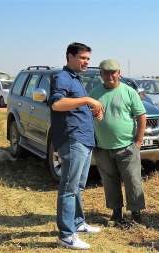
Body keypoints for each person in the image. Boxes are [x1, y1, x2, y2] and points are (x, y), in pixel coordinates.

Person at [49, 42, 104, 250]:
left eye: (88, 59)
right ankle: (66, 236)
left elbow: (73, 107)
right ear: (70, 56)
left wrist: (91, 109)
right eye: (82, 58)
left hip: (84, 139)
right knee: (68, 189)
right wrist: (88, 99)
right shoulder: (62, 78)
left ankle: (78, 224)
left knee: (77, 186)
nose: (86, 62)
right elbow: (57, 104)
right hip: (73, 140)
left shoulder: (76, 79)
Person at [88, 59, 147, 226]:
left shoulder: (129, 92)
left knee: (132, 180)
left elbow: (141, 116)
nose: (109, 76)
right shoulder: (94, 94)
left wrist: (138, 141)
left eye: (113, 72)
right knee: (109, 181)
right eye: (105, 73)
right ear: (101, 74)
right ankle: (116, 213)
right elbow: (87, 116)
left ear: (119, 73)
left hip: (127, 146)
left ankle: (136, 214)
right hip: (102, 147)